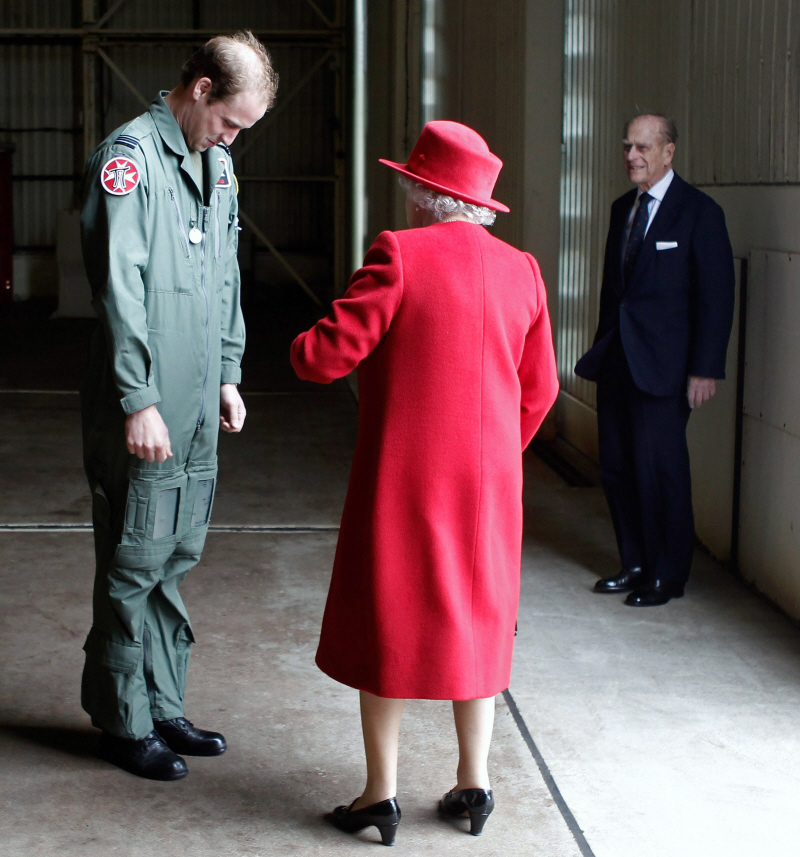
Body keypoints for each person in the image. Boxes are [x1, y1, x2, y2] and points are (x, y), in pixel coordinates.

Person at [291, 120, 559, 844]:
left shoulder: (399, 254)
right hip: (490, 488)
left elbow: (327, 356)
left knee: (393, 626)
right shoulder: (524, 270)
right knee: (478, 628)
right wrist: (497, 454)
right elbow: (539, 390)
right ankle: (474, 785)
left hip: (405, 482)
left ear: (422, 194)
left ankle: (379, 795)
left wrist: (296, 342)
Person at [79, 31, 277, 780]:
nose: (231, 138)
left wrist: (228, 371)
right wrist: (137, 397)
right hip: (147, 405)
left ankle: (163, 704)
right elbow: (119, 289)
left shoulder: (216, 166)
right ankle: (123, 720)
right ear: (198, 90)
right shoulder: (128, 160)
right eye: (228, 121)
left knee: (174, 556)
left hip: (197, 403)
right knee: (134, 558)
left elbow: (225, 273)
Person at [575, 114, 735, 607]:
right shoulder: (623, 208)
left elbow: (717, 296)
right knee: (619, 467)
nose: (632, 156)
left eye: (643, 147)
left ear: (668, 152)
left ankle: (668, 574)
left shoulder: (698, 213)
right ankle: (636, 563)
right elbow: (614, 295)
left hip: (666, 369)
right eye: (627, 146)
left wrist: (704, 368)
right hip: (618, 361)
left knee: (660, 470)